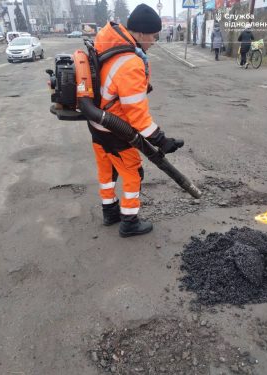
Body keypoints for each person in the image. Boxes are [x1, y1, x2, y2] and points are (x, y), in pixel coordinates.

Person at [89, 4, 184, 237]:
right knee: (132, 173)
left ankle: (110, 212)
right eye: (153, 36)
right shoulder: (130, 63)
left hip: (97, 124)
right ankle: (129, 222)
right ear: (141, 33)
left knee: (107, 170)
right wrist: (162, 141)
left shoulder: (109, 43)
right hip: (115, 129)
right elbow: (137, 116)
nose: (154, 41)